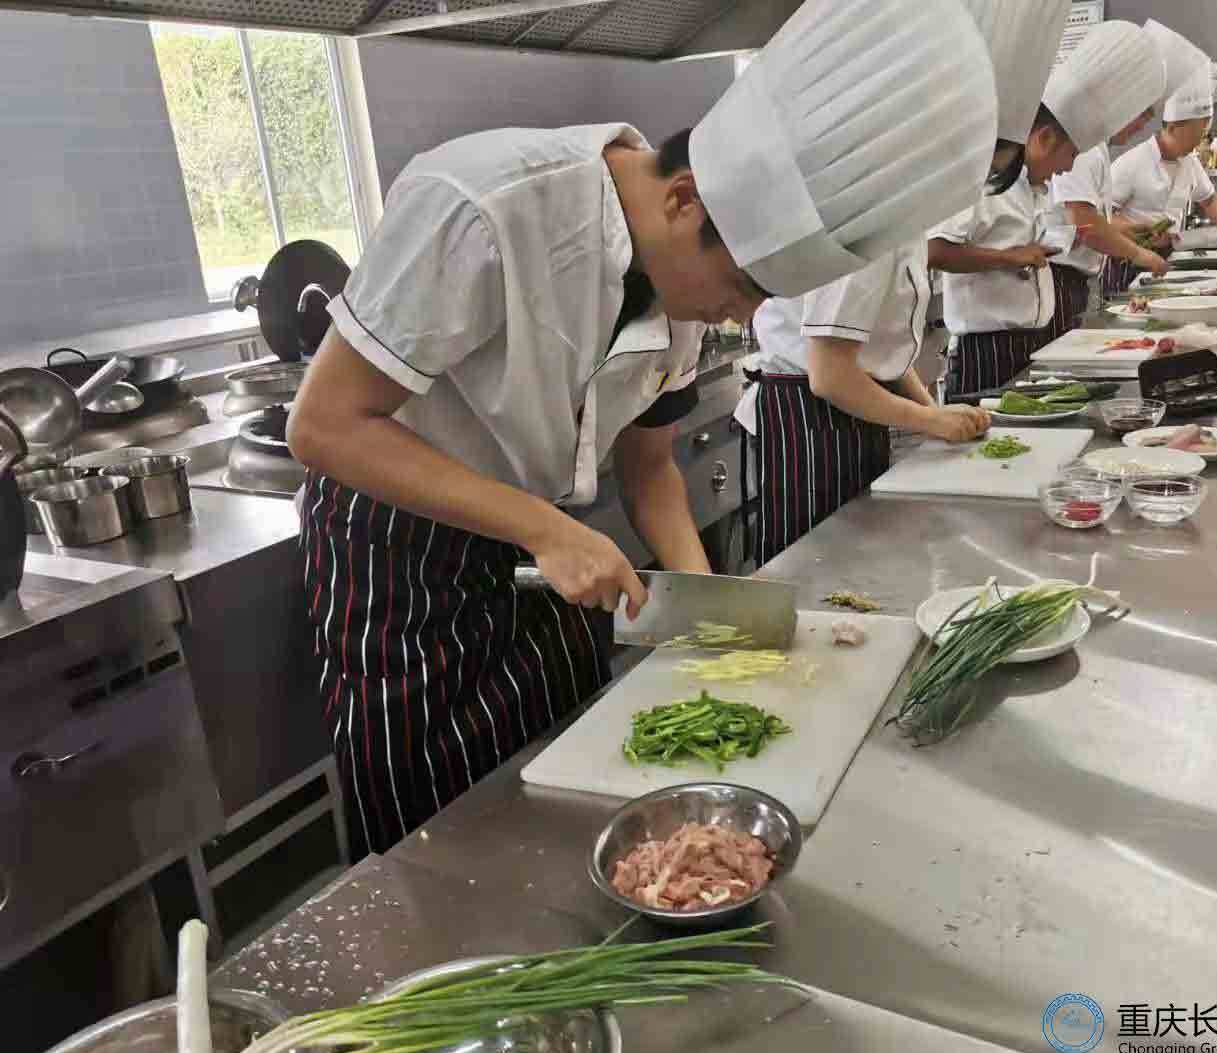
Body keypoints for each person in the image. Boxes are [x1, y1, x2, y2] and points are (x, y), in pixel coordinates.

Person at [285, 0, 1004, 856]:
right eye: (740, 286)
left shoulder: (678, 274)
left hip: (535, 544)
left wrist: (706, 610)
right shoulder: (483, 204)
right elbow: (323, 425)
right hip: (400, 562)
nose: (739, 313)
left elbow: (650, 459)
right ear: (684, 197)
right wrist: (543, 528)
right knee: (434, 839)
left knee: (555, 793)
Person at [734, 0, 1070, 566]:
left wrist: (932, 414)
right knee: (816, 578)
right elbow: (830, 372)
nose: (978, 186)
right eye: (982, 167)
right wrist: (929, 418)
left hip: (850, 412)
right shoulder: (872, 208)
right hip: (811, 422)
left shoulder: (911, 211)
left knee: (860, 569)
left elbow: (878, 351)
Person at [930, 20, 1165, 397]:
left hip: (1030, 341)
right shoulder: (983, 181)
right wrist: (1008, 258)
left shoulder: (1035, 188)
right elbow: (935, 251)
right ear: (1044, 138)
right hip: (988, 350)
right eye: (1070, 154)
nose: (1069, 169)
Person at [1048, 21, 1213, 334]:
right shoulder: (1082, 146)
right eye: (1140, 115)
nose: (1140, 127)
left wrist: (1129, 232)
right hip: (1057, 281)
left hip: (1073, 282)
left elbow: (1088, 221)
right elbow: (1082, 222)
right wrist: (1140, 254)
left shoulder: (1096, 147)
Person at [1108, 67, 1217, 297]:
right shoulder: (1130, 164)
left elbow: (1209, 199)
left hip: (1168, 259)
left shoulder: (1189, 161)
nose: (1197, 145)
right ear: (1172, 128)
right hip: (1127, 261)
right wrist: (1139, 232)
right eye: (1194, 137)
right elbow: (1103, 219)